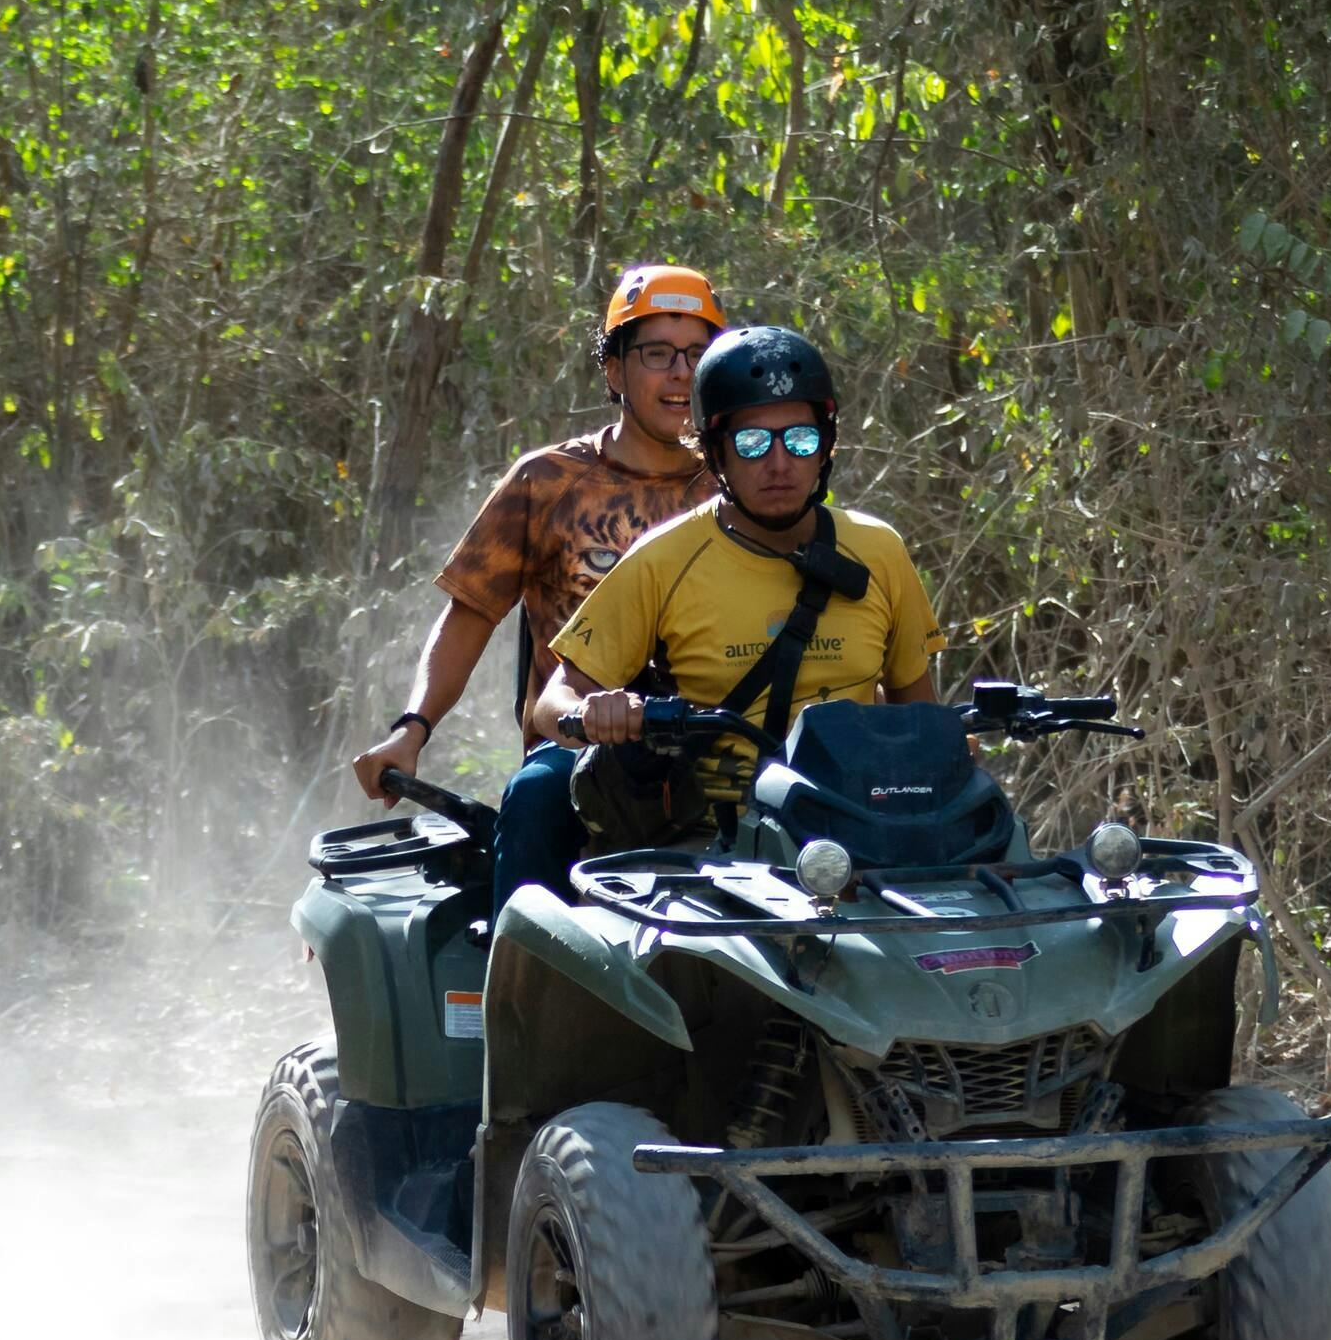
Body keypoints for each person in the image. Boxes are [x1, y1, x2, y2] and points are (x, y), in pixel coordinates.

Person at [506, 326, 943, 893]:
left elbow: (920, 717)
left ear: (827, 446)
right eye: (754, 444)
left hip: (859, 832)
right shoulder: (664, 560)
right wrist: (599, 711)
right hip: (715, 847)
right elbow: (549, 706)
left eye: (802, 441)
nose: (781, 463)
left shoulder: (879, 550)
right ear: (715, 452)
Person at [348, 263, 726, 853]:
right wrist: (412, 729)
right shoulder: (547, 481)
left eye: (697, 355)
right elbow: (469, 617)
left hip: (718, 745)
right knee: (532, 801)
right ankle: (513, 945)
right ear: (614, 368)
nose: (681, 374)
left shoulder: (740, 485)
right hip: (574, 750)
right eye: (657, 353)